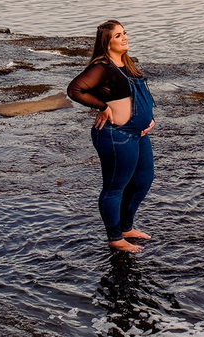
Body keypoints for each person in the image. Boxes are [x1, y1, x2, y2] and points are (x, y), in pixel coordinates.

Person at [67, 19, 156, 253]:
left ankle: (126, 227)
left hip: (138, 132)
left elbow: (141, 95)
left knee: (143, 179)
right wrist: (102, 106)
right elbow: (74, 90)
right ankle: (115, 237)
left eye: (124, 33)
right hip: (116, 135)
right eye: (118, 36)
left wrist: (150, 119)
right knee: (115, 187)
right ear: (107, 42)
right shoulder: (102, 67)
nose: (124, 38)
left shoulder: (128, 63)